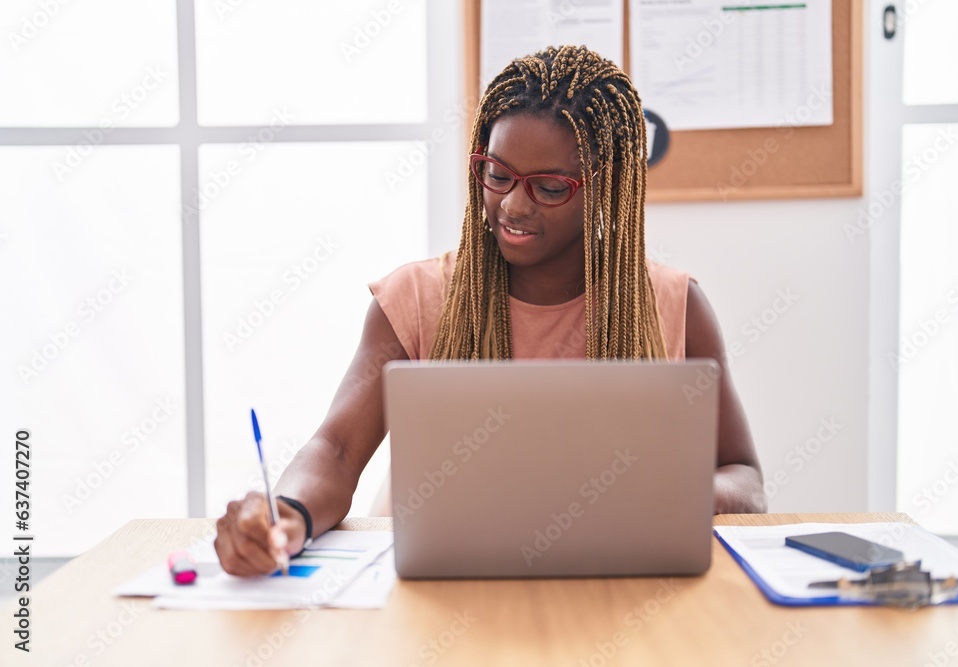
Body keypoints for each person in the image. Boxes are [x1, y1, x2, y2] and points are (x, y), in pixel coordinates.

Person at [214, 45, 766, 576]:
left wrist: (676, 486)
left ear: (605, 189)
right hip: (446, 591)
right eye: (497, 174)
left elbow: (746, 480)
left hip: (619, 588)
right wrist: (287, 514)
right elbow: (334, 450)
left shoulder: (674, 305)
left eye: (549, 187)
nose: (513, 205)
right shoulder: (415, 298)